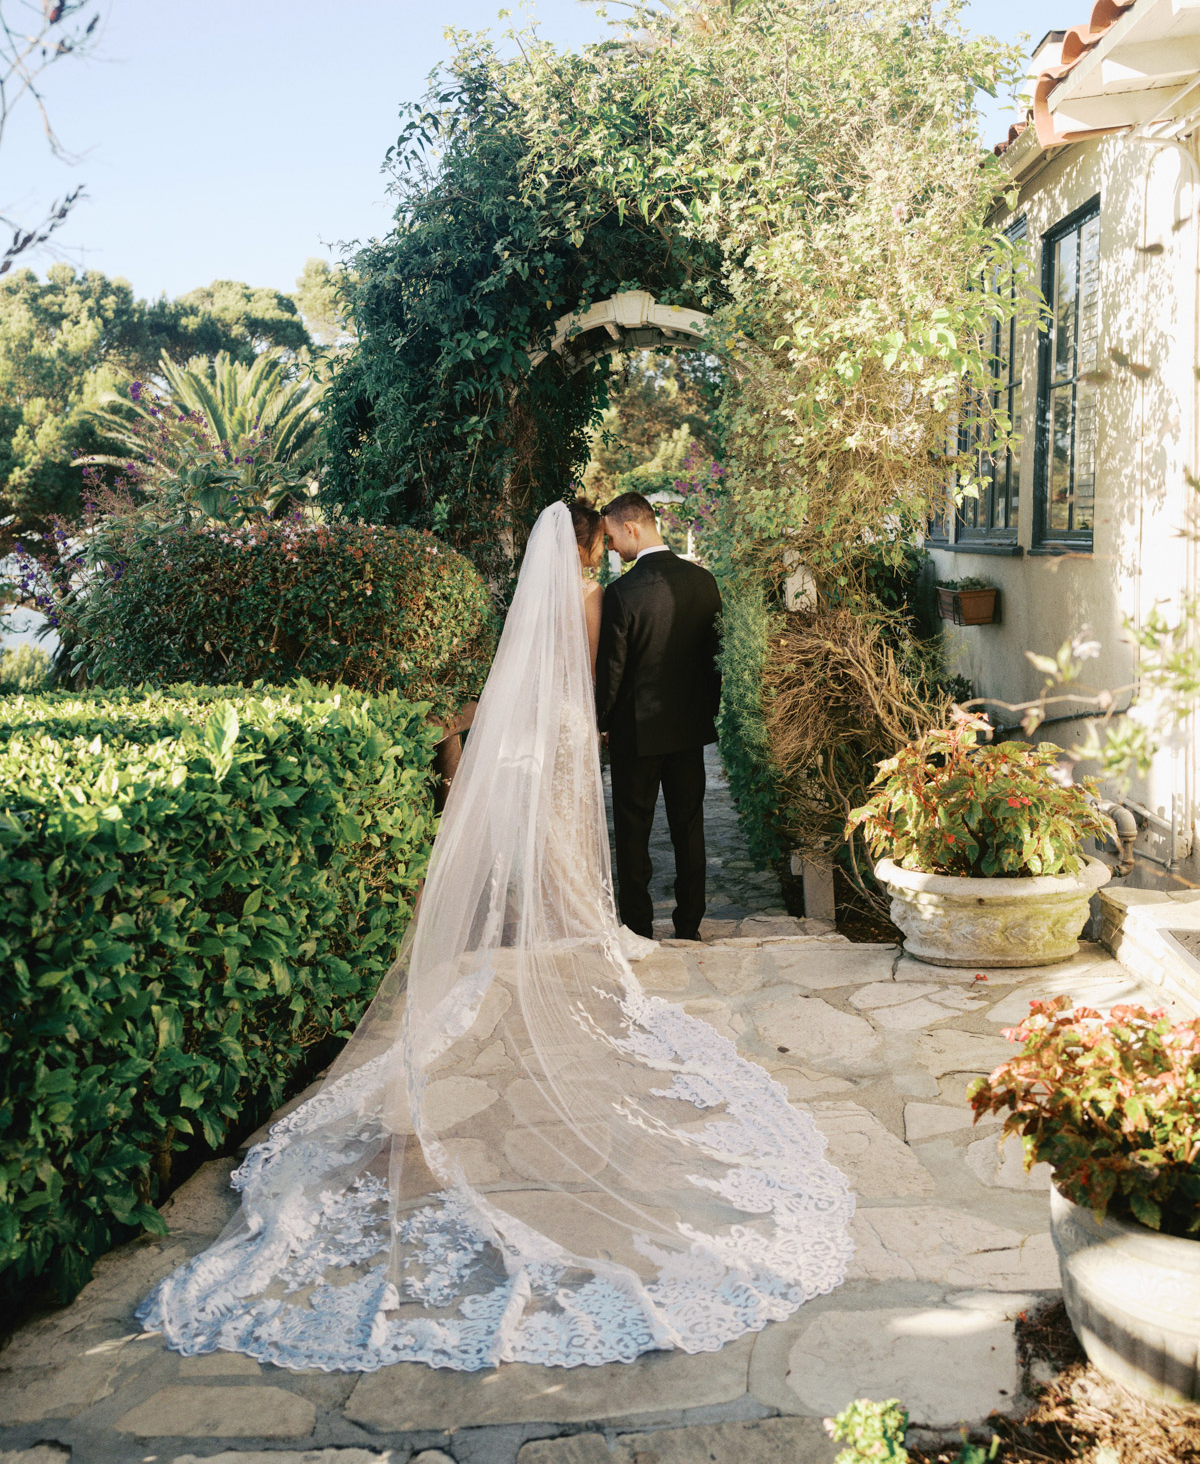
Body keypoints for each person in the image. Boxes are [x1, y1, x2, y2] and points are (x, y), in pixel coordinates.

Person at [138, 502, 852, 1374]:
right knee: (649, 829)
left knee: (606, 831)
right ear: (600, 538)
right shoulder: (655, 589)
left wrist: (587, 718)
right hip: (640, 727)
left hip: (585, 727)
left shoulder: (592, 596)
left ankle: (600, 915)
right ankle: (663, 918)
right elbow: (652, 668)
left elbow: (577, 673)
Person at [596, 492, 721, 942]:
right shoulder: (704, 582)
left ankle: (639, 929)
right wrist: (706, 712)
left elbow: (612, 670)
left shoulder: (622, 593)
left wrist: (602, 722)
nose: (610, 546)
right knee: (689, 829)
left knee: (634, 834)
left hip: (637, 734)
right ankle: (689, 926)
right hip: (689, 731)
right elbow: (715, 660)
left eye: (610, 537)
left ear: (631, 528)